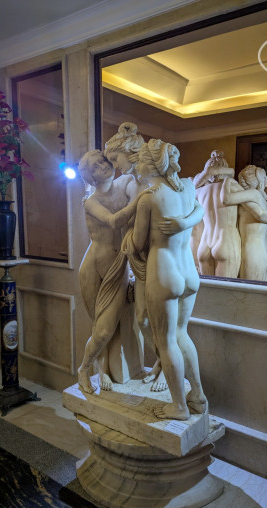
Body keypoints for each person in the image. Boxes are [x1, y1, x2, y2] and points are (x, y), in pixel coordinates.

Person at [125, 138, 207, 420]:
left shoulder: (149, 198)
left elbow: (137, 243)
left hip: (164, 272)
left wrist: (127, 236)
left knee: (167, 341)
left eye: (139, 161)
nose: (137, 166)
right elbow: (200, 210)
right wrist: (184, 222)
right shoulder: (187, 186)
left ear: (151, 164)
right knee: (182, 334)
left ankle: (179, 407)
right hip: (189, 272)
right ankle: (197, 395)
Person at [78, 149, 149, 393]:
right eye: (95, 167)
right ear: (91, 176)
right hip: (93, 266)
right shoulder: (91, 201)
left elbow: (138, 186)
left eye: (103, 161)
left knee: (107, 328)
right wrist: (141, 200)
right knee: (100, 326)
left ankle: (98, 368)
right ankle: (90, 370)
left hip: (119, 265)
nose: (103, 166)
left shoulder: (125, 182)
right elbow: (114, 221)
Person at [105, 122, 167, 391]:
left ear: (130, 153)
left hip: (157, 257)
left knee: (162, 319)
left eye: (115, 158)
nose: (114, 166)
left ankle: (166, 368)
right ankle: (163, 363)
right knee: (142, 318)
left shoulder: (154, 183)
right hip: (137, 258)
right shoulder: (128, 182)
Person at [221, 164, 267, 281]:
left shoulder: (254, 194)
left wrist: (226, 181)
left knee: (250, 292)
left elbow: (226, 199)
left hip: (254, 254)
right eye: (265, 179)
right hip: (265, 252)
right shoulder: (257, 198)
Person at [193, 150, 241, 278]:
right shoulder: (233, 187)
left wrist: (206, 174)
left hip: (204, 245)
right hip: (225, 241)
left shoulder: (199, 192)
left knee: (207, 288)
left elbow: (190, 190)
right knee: (225, 289)